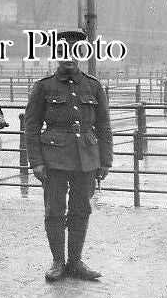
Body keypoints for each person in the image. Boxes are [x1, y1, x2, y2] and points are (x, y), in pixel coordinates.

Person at [24, 29, 112, 281]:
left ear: (81, 54)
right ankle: (58, 262)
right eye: (62, 53)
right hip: (53, 159)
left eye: (74, 53)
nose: (68, 58)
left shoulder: (93, 86)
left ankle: (75, 262)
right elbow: (31, 127)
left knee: (81, 209)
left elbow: (104, 126)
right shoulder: (43, 87)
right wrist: (37, 162)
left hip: (86, 158)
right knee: (54, 210)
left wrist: (105, 160)